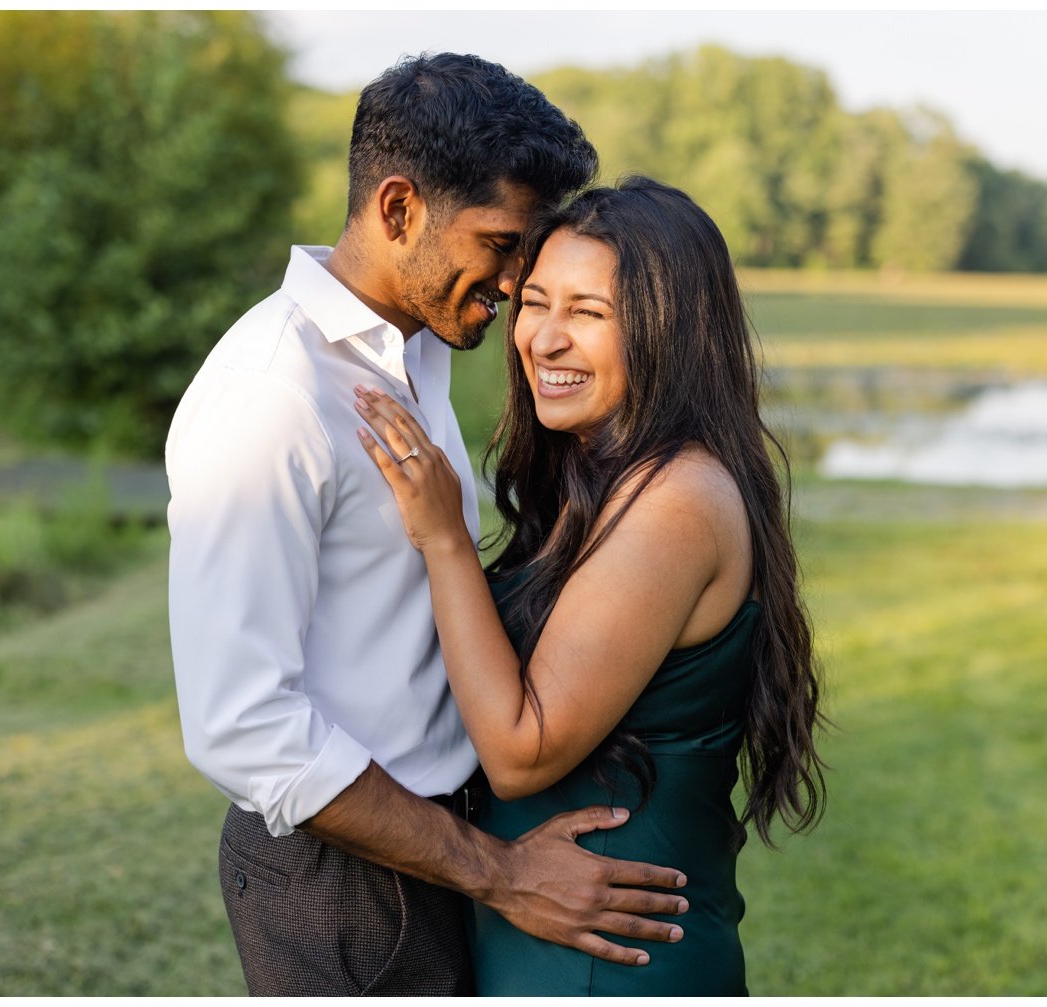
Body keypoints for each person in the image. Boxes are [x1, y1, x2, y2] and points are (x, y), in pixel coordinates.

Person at [165, 55, 691, 997]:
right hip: (348, 879)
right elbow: (240, 726)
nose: (511, 281)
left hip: (437, 844)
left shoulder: (417, 338)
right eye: (499, 243)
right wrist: (497, 870)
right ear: (399, 208)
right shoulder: (271, 397)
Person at [352, 176, 826, 995]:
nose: (544, 338)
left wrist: (444, 540)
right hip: (555, 940)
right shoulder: (605, 478)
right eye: (535, 302)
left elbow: (519, 748)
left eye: (591, 313)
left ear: (670, 333)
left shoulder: (676, 501)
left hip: (612, 963)